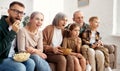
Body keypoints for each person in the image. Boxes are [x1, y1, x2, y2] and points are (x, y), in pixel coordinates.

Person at [0, 1, 35, 71]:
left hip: (13, 56)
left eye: (22, 13)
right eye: (16, 11)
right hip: (2, 59)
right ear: (9, 11)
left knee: (31, 62)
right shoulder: (1, 26)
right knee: (20, 68)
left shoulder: (19, 27)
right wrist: (12, 32)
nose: (19, 15)